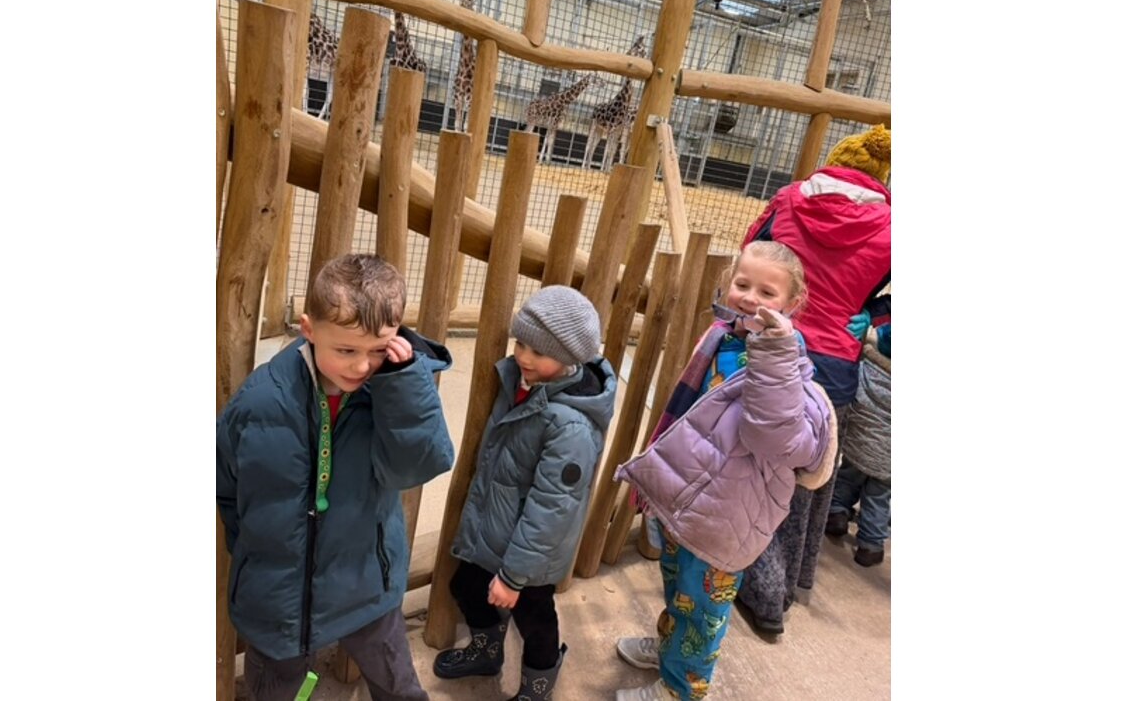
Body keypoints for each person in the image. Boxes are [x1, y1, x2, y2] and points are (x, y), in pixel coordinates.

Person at [217, 253, 455, 701]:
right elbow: (227, 484)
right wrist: (253, 551)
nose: (362, 366)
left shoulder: (391, 392)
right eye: (346, 350)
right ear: (308, 330)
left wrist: (403, 383)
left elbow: (418, 465)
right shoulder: (260, 402)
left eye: (378, 350)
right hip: (280, 593)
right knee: (275, 688)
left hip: (365, 581)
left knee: (397, 683)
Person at [611, 241, 834, 701]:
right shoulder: (725, 334)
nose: (750, 298)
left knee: (704, 610)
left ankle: (681, 689)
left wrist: (775, 351)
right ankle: (670, 650)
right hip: (694, 494)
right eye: (742, 284)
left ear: (793, 303)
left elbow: (775, 436)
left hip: (728, 512)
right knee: (679, 586)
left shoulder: (785, 363)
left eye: (767, 293)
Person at [737, 124, 891, 629]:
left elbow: (752, 254)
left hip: (770, 344)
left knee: (752, 466)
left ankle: (755, 588)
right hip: (836, 362)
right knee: (810, 473)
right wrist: (872, 316)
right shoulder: (893, 225)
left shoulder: (788, 200)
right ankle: (791, 583)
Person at [433, 285, 617, 701]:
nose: (524, 357)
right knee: (466, 587)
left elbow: (552, 510)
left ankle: (538, 684)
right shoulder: (528, 382)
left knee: (534, 619)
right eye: (521, 344)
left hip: (531, 554)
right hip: (497, 532)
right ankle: (488, 651)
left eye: (539, 352)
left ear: (569, 359)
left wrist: (515, 576)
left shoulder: (570, 427)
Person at [827, 319, 891, 566]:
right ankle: (870, 546)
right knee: (878, 495)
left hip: (859, 443)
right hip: (889, 459)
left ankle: (836, 514)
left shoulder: (867, 369)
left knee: (847, 476)